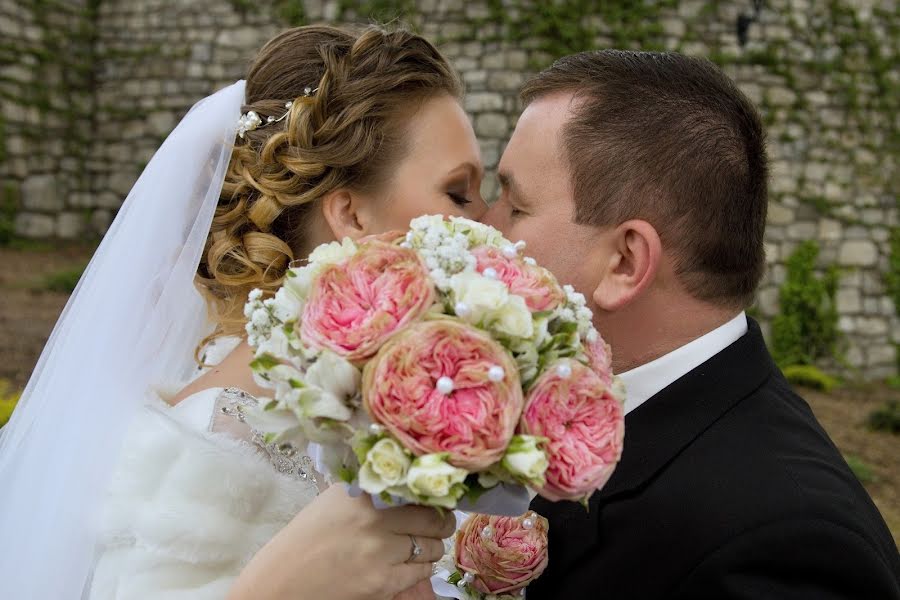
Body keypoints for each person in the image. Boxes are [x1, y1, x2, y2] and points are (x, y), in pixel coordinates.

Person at [0, 24, 486, 600]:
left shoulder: (425, 418)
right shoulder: (199, 459)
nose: (488, 222)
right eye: (458, 194)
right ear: (351, 216)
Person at [483, 49, 900, 598]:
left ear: (626, 262)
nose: (484, 225)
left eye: (515, 206)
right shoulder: (578, 414)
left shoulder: (785, 548)